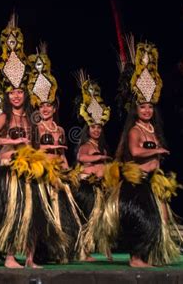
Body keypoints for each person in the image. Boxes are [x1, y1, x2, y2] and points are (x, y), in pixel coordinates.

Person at [0, 15, 68, 269]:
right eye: (12, 92)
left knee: (33, 216)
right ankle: (10, 257)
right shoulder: (3, 116)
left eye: (20, 91)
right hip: (9, 172)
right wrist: (9, 140)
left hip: (29, 172)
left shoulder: (32, 118)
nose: (17, 95)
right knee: (12, 215)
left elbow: (33, 146)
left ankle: (30, 258)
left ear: (25, 93)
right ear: (8, 94)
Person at [104, 40, 183, 267]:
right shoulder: (134, 130)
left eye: (150, 106)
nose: (147, 110)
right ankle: (136, 258)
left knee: (161, 221)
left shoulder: (153, 129)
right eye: (142, 106)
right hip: (136, 184)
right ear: (135, 109)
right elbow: (135, 151)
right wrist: (157, 150)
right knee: (144, 221)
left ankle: (151, 255)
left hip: (151, 183)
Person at [27, 44, 84, 264]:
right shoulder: (35, 129)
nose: (46, 109)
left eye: (49, 106)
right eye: (42, 106)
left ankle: (60, 251)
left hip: (59, 176)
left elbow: (61, 154)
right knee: (44, 215)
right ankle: (42, 252)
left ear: (54, 107)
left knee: (63, 214)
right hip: (43, 176)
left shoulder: (59, 130)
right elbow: (32, 153)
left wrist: (68, 172)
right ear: (37, 107)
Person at [72, 71, 113, 262]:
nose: (96, 130)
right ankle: (83, 252)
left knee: (101, 222)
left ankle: (106, 251)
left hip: (101, 189)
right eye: (93, 127)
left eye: (99, 127)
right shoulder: (86, 145)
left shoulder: (102, 145)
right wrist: (100, 158)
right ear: (88, 127)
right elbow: (81, 157)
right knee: (87, 222)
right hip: (87, 189)